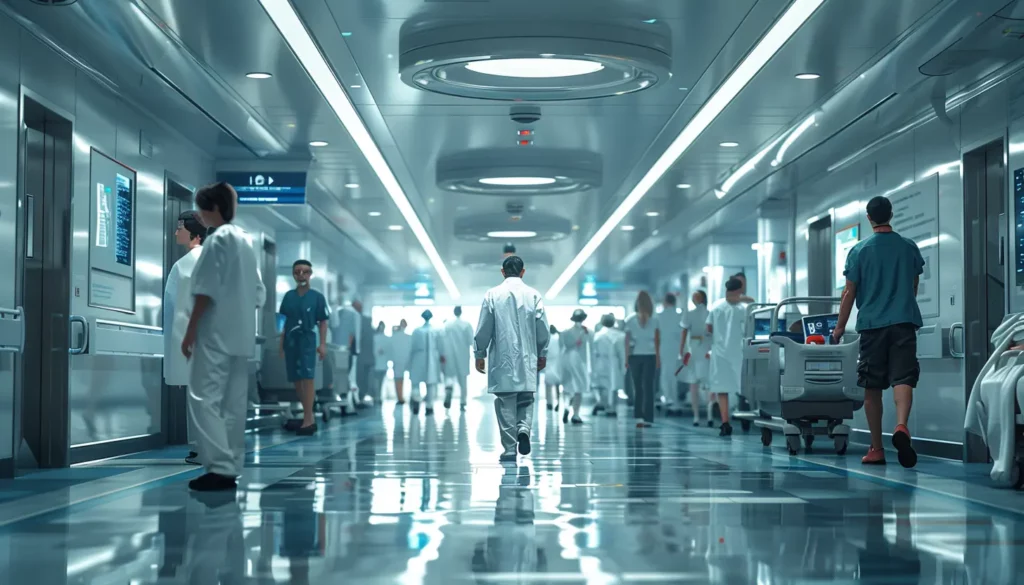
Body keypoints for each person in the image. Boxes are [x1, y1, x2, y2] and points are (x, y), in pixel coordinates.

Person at [181, 182, 265, 491]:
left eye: (202, 209)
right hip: (241, 337)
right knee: (234, 403)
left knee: (205, 399)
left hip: (215, 334)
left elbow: (205, 290)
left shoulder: (217, 241)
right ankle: (232, 465)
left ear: (214, 209)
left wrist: (190, 331)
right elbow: (259, 293)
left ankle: (218, 467)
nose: (200, 216)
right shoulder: (245, 241)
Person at [834, 195, 923, 468]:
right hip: (904, 322)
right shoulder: (909, 247)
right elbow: (913, 285)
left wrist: (839, 327)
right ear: (891, 215)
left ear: (869, 218)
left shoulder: (860, 251)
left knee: (872, 387)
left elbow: (849, 293)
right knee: (903, 378)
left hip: (872, 326)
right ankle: (901, 425)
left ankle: (876, 448)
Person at [473, 255, 550, 462]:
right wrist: (542, 353)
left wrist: (480, 353)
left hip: (502, 359)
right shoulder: (534, 295)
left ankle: (509, 449)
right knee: (526, 399)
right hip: (527, 358)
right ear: (523, 272)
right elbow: (542, 328)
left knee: (506, 401)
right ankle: (523, 428)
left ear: (502, 272)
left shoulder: (492, 295)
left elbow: (484, 328)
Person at [163, 210, 205, 465]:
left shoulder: (188, 264)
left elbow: (179, 310)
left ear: (195, 234)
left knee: (199, 397)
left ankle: (204, 449)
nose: (176, 232)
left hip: (194, 341)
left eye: (180, 228)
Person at [277, 260, 329, 436]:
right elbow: (283, 323)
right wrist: (281, 345)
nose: (301, 275)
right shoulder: (288, 297)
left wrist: (322, 344)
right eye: (298, 272)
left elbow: (323, 322)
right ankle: (309, 415)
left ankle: (308, 418)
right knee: (296, 378)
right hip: (291, 339)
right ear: (293, 274)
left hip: (307, 339)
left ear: (310, 274)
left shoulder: (317, 297)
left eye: (305, 272)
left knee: (308, 377)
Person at [706, 277, 748, 436]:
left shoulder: (716, 307)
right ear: (739, 290)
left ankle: (725, 423)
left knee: (722, 389)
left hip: (720, 353)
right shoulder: (744, 309)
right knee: (742, 387)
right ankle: (746, 418)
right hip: (738, 352)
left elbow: (708, 328)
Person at [677, 290, 711, 426]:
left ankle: (698, 416)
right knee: (707, 384)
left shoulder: (689, 314)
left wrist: (681, 351)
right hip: (706, 350)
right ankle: (707, 416)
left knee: (695, 384)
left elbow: (684, 332)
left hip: (696, 349)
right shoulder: (711, 314)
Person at [625, 291, 659, 428]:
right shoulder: (655, 320)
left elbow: (627, 341)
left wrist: (626, 358)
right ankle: (649, 418)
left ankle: (639, 416)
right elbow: (657, 341)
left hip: (635, 357)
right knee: (649, 387)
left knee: (637, 388)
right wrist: (659, 358)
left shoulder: (630, 320)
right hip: (650, 356)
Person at [409, 310, 446, 415]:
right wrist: (442, 356)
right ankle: (429, 407)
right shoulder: (436, 331)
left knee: (417, 382)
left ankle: (417, 401)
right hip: (431, 359)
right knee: (431, 383)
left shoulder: (417, 331)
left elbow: (412, 347)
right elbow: (441, 346)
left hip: (419, 358)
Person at [560, 309, 591, 424]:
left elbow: (563, 346)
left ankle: (567, 407)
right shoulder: (586, 332)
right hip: (579, 361)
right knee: (579, 387)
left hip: (566, 360)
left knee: (568, 386)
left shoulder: (566, 332)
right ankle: (576, 414)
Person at [331, 299, 362, 411]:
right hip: (347, 351)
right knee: (348, 378)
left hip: (339, 350)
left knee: (344, 377)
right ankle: (347, 403)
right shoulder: (353, 315)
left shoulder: (340, 313)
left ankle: (346, 402)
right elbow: (353, 335)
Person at [592, 314, 625, 416]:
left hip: (600, 361)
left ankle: (603, 403)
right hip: (614, 361)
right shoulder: (620, 335)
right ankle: (612, 407)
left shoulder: (597, 335)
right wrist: (624, 367)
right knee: (613, 386)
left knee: (602, 385)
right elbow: (622, 353)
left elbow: (593, 352)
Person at [443, 306, 475, 411]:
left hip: (449, 356)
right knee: (463, 381)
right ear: (461, 312)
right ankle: (462, 402)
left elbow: (442, 340)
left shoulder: (447, 325)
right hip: (462, 356)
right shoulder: (466, 325)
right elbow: (471, 341)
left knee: (449, 377)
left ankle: (449, 388)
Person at [656, 293, 684, 415]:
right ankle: (675, 400)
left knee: (665, 374)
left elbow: (656, 335)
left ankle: (668, 398)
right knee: (675, 375)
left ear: (665, 302)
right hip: (677, 349)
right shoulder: (680, 316)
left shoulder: (659, 316)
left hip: (663, 348)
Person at [390, 319, 412, 404]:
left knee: (400, 379)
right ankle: (400, 397)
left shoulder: (407, 337)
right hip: (399, 360)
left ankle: (401, 397)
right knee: (399, 379)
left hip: (403, 360)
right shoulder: (398, 336)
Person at [357, 310, 376, 405]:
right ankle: (365, 395)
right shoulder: (373, 332)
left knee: (361, 379)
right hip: (370, 360)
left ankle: (362, 396)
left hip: (362, 360)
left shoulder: (361, 332)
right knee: (368, 380)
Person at [544, 325, 563, 411]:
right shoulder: (558, 339)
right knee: (557, 385)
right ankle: (558, 402)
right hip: (558, 363)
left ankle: (549, 403)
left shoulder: (547, 340)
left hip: (548, 363)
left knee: (548, 385)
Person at [371, 321, 390, 406]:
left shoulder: (385, 338)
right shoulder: (375, 338)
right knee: (377, 382)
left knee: (380, 382)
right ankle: (377, 397)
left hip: (383, 364)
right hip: (377, 364)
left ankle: (378, 397)